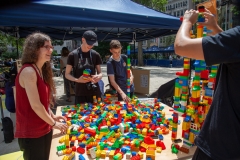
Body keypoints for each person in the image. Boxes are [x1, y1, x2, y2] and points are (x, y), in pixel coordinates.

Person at [174, 1, 240, 159]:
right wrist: (216, 29)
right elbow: (232, 54)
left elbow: (181, 46)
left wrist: (188, 22)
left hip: (220, 145)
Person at [15, 32, 68, 160]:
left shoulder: (41, 70)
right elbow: (36, 105)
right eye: (46, 47)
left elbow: (43, 103)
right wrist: (54, 123)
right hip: (32, 133)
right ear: (34, 49)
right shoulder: (29, 71)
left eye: (51, 46)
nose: (51, 50)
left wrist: (53, 115)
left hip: (44, 127)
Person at [65, 30, 102, 104]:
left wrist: (98, 76)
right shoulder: (73, 55)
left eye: (92, 44)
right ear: (83, 39)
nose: (91, 46)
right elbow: (67, 74)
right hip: (80, 92)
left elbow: (100, 72)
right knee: (82, 114)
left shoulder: (95, 54)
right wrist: (77, 80)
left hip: (94, 90)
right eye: (89, 43)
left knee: (97, 113)